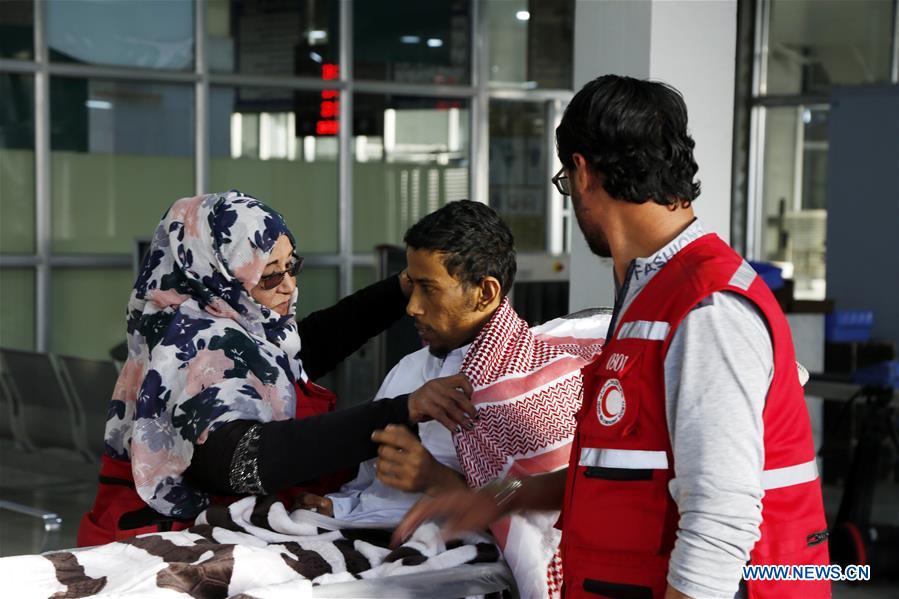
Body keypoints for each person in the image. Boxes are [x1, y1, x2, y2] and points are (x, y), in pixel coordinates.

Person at [394, 76, 830, 599]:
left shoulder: (706, 308)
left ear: (581, 173)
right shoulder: (648, 292)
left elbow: (720, 520)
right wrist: (497, 496)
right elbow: (597, 474)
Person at [78, 190, 475, 546]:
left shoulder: (237, 323)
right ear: (219, 275)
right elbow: (241, 460)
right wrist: (398, 412)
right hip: (162, 540)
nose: (288, 286)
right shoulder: (193, 345)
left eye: (292, 265)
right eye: (269, 275)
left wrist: (404, 286)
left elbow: (308, 348)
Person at [297, 200, 606, 598]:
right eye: (412, 286)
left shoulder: (540, 390)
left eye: (428, 289)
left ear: (485, 292)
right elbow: (368, 484)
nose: (412, 307)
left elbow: (546, 513)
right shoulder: (409, 370)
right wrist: (338, 508)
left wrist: (434, 480)